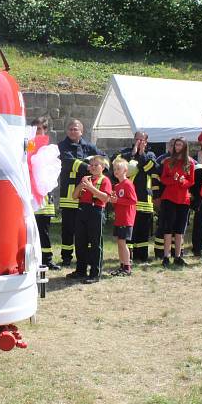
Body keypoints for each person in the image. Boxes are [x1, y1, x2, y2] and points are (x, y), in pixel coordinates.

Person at [57, 119, 100, 266]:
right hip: (69, 194)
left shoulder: (89, 146)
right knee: (68, 228)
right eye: (70, 129)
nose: (72, 131)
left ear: (81, 131)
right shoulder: (62, 146)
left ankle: (85, 257)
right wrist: (88, 166)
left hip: (87, 194)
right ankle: (67, 257)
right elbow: (67, 162)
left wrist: (97, 167)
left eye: (75, 129)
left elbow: (102, 159)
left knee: (85, 228)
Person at [110, 132, 157, 263]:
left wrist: (141, 154)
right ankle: (128, 257)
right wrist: (133, 153)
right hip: (127, 200)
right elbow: (117, 164)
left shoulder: (150, 155)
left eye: (142, 140)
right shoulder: (125, 153)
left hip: (144, 199)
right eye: (137, 139)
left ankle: (141, 256)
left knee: (143, 229)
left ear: (146, 142)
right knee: (129, 230)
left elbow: (150, 168)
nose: (139, 142)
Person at [66, 155, 112, 284]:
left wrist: (91, 187)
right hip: (82, 210)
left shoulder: (105, 180)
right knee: (80, 242)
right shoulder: (85, 178)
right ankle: (80, 270)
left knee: (95, 244)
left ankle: (95, 273)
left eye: (95, 165)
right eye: (90, 165)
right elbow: (74, 196)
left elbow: (105, 198)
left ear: (102, 167)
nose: (92, 167)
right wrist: (81, 186)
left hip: (96, 211)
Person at [159, 138, 196, 268]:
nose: (178, 147)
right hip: (169, 198)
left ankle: (178, 256)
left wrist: (182, 181)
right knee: (168, 228)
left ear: (185, 146)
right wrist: (174, 180)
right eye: (176, 144)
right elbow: (163, 179)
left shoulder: (190, 163)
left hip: (183, 199)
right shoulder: (168, 161)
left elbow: (191, 181)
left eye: (180, 144)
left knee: (180, 229)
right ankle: (166, 256)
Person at [31, 117, 60, 270]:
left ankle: (47, 259)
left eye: (40, 129)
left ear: (46, 130)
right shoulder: (27, 146)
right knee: (30, 229)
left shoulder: (48, 149)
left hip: (44, 195)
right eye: (35, 129)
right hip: (30, 195)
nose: (38, 132)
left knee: (44, 230)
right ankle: (32, 259)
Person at [108, 158, 138, 276]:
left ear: (125, 170)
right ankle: (122, 266)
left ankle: (127, 267)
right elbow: (117, 202)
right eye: (114, 169)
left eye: (118, 169)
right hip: (119, 217)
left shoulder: (128, 184)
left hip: (126, 217)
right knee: (120, 242)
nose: (116, 171)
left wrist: (118, 200)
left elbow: (133, 200)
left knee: (122, 242)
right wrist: (113, 200)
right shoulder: (117, 185)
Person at [152, 139, 176, 260]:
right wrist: (156, 196)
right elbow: (155, 178)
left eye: (176, 145)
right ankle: (160, 253)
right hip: (163, 197)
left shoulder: (184, 160)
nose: (174, 147)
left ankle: (176, 251)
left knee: (176, 226)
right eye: (172, 145)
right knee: (163, 225)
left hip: (178, 199)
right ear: (168, 146)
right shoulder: (161, 160)